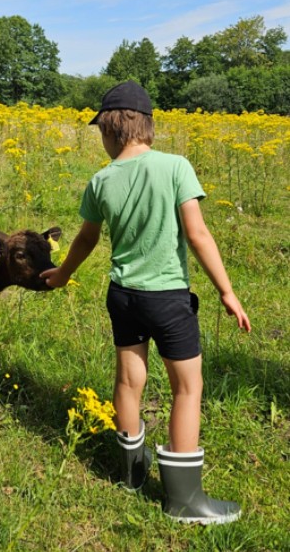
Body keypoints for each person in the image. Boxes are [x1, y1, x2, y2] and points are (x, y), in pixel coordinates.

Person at [41, 80, 251, 525]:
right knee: (186, 388)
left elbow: (86, 239)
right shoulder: (176, 166)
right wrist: (227, 291)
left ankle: (132, 476)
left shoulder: (101, 180)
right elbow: (196, 234)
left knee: (128, 381)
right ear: (145, 126)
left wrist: (63, 274)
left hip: (122, 297)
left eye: (100, 130)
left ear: (112, 129)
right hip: (169, 298)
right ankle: (184, 501)